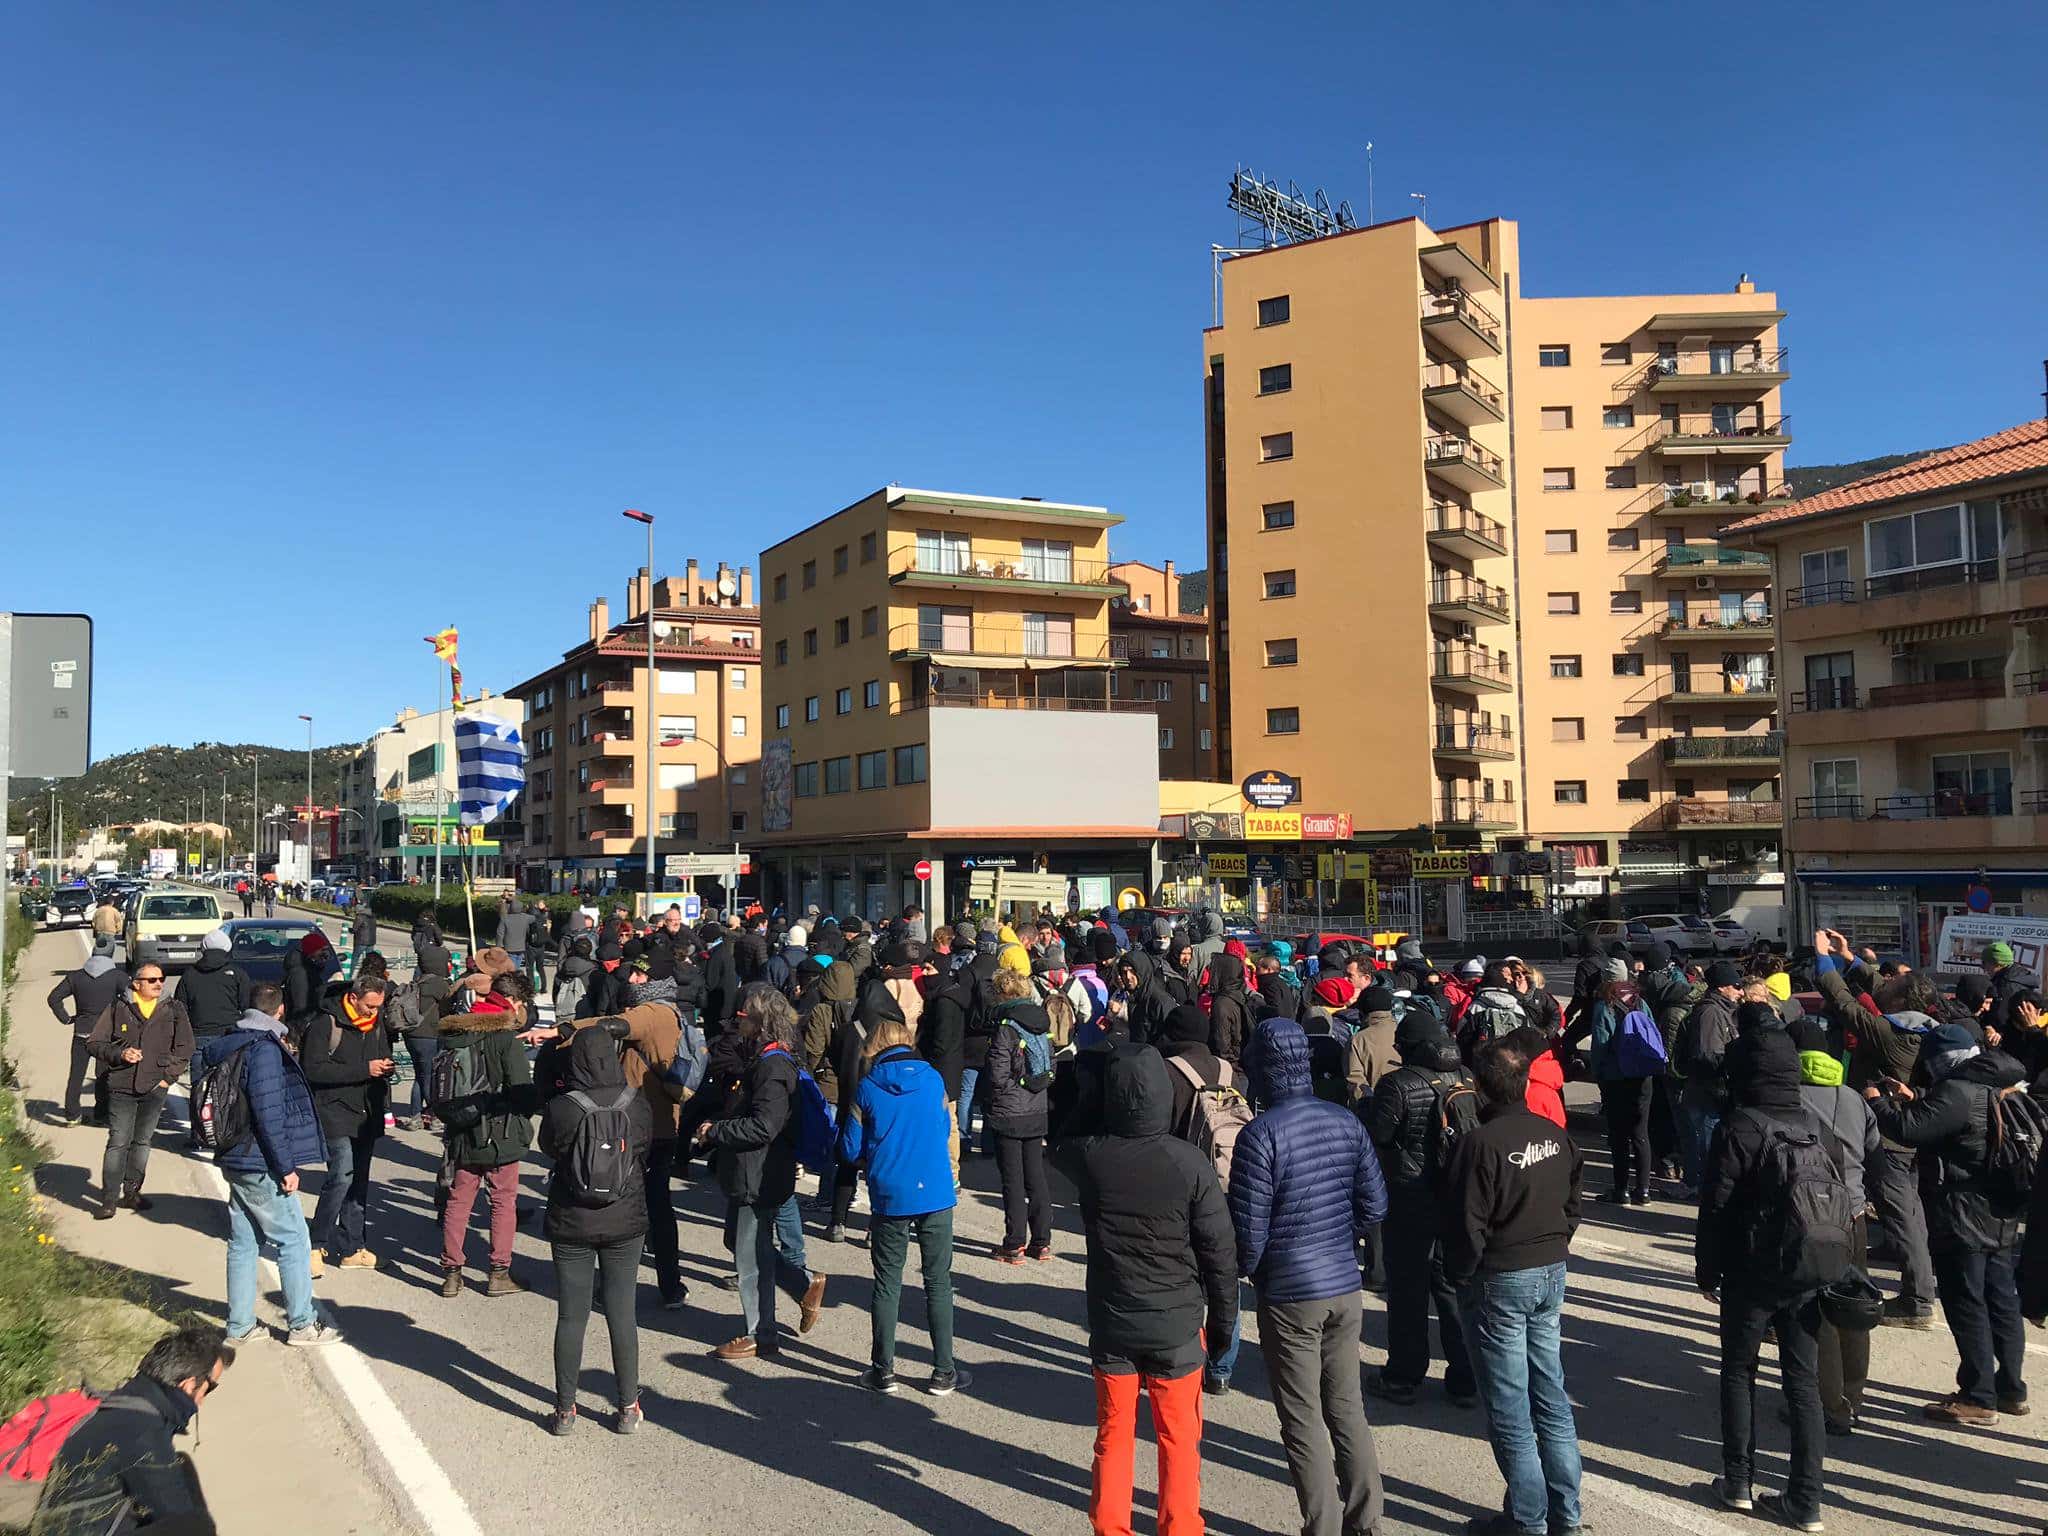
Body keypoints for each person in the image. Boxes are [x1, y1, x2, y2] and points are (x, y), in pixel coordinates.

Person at [1059, 1045, 1237, 1536]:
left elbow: (1062, 1140)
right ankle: (1180, 1528)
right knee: (1180, 1440)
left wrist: (1093, 1095)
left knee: (1114, 1436)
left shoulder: (1093, 1158)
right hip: (1178, 1324)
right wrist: (1222, 1328)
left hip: (1114, 1321)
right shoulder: (1189, 1161)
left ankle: (1110, 1527)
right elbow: (1220, 1256)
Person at [1228, 1017, 1389, 1536]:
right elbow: (1375, 1204)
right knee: (1346, 1406)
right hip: (1342, 1283)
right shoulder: (1345, 1121)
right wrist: (1341, 1238)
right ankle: (1365, 1519)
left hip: (1291, 1289)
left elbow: (1248, 1234)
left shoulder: (1260, 1135)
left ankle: (1321, 1525)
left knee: (1301, 1418)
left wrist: (1251, 1271)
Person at [1441, 1038, 1586, 1536]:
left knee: (1511, 1409)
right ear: (1525, 1083)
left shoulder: (1479, 1144)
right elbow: (1573, 1203)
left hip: (1502, 1277)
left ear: (1480, 1087)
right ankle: (1565, 1516)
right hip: (1548, 1270)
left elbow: (1466, 1225)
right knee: (1550, 1394)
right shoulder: (1553, 1134)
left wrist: (1461, 1276)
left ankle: (1529, 1521)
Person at [1870, 1019, 2029, 1426]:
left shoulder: (1957, 1091)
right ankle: (2011, 1389)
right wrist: (1917, 1097)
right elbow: (1950, 1116)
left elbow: (1908, 1129)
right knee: (2002, 1300)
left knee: (1966, 1302)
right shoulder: (2001, 1083)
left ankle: (1978, 1396)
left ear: (1942, 1061)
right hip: (2003, 1210)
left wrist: (1877, 1102)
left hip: (1964, 1214)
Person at [191, 982, 337, 1346]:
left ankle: (239, 1325)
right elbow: (269, 1115)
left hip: (232, 1153)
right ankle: (302, 1324)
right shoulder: (264, 1050)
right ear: (281, 1010)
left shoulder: (228, 1043)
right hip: (258, 1159)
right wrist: (286, 1167)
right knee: (293, 1239)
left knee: (243, 1242)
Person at [1811, 931, 1939, 1327]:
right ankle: (1920, 1288)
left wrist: (1823, 960)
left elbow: (1844, 1002)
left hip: (1889, 1138)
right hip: (1911, 1134)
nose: (1883, 986)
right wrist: (1850, 958)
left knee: (1901, 1217)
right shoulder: (1923, 1024)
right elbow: (1879, 987)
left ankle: (1917, 1301)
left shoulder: (1890, 1035)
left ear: (1901, 1001)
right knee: (1910, 1214)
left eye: (1892, 985)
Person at [698, 985, 827, 1359]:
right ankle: (802, 1284)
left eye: (744, 1016)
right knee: (739, 1242)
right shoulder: (769, 1058)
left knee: (749, 1256)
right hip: (756, 1170)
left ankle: (760, 1333)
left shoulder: (772, 1066)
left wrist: (717, 1130)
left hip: (759, 1171)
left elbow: (764, 1126)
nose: (738, 1020)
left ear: (760, 1022)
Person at [841, 1016, 965, 1394]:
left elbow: (849, 1148)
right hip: (935, 1189)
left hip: (890, 1190)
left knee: (887, 1282)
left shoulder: (866, 1088)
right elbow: (944, 1130)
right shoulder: (933, 1080)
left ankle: (883, 1370)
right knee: (938, 1282)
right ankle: (943, 1370)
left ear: (875, 1049)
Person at [538, 1025, 651, 1435]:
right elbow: (643, 1148)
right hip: (625, 1219)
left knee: (571, 1315)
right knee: (622, 1313)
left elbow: (550, 1147)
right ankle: (626, 1406)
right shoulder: (635, 1101)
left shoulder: (563, 1105)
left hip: (573, 1220)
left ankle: (566, 1410)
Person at [1365, 1006, 1477, 1408]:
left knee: (1408, 1291)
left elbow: (1379, 1135)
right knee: (1452, 1290)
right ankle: (1465, 1377)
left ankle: (1404, 1376)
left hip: (1409, 1195)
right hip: (1455, 1196)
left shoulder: (1398, 1084)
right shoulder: (1465, 1077)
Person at [39, 1326, 232, 1533]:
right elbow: (177, 1514)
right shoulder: (143, 1432)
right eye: (209, 1387)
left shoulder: (127, 1403)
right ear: (188, 1384)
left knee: (182, 1465)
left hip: (68, 1522)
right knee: (196, 1526)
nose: (201, 1402)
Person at [567, 987, 687, 1309]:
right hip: (663, 1126)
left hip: (639, 1127)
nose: (633, 977)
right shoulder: (674, 1017)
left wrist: (567, 1031)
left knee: (625, 1208)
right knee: (658, 1207)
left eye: (640, 975)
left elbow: (612, 1025)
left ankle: (614, 1289)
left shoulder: (652, 1014)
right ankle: (671, 1286)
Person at [1790, 1014, 1878, 1432]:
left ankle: (1828, 1406)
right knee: (1853, 1304)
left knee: (1818, 1311)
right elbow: (1873, 1147)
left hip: (1809, 1217)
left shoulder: (1785, 1098)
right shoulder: (1854, 1097)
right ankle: (1853, 1396)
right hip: (1855, 1213)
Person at [436, 989, 538, 1297]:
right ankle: (498, 1272)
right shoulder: (505, 1040)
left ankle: (451, 1273)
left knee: (458, 1200)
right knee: (503, 1201)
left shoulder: (453, 1038)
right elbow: (522, 1090)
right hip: (500, 1131)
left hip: (461, 1129)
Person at [301, 972, 395, 1271]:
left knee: (359, 1182)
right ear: (353, 998)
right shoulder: (325, 1023)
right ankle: (316, 1244)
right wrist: (364, 1069)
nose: (374, 1012)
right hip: (333, 1110)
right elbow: (313, 1070)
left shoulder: (375, 1023)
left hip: (366, 1111)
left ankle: (354, 1246)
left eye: (379, 1006)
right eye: (370, 1006)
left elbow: (381, 1054)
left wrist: (385, 1068)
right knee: (341, 1175)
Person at [86, 959, 191, 1218]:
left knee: (142, 1141)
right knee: (118, 1142)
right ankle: (109, 1200)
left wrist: (168, 1078)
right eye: (151, 980)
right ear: (136, 983)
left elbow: (185, 1047)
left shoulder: (173, 1008)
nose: (158, 984)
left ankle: (131, 1192)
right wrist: (120, 1054)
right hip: (121, 1086)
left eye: (161, 979)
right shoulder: (118, 1007)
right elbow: (94, 1043)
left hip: (155, 1087)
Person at [984, 968, 1054, 1263]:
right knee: (1036, 1178)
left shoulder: (1006, 1028)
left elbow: (998, 1076)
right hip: (1037, 1108)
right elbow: (1052, 1067)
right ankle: (1042, 1241)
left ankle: (1014, 1244)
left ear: (1004, 994)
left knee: (1013, 1180)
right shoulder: (1042, 1023)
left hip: (1010, 1111)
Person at [1586, 962, 1656, 1204]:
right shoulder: (1640, 1001)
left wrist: (1599, 1075)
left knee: (1618, 1135)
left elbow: (1600, 1045)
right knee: (1641, 1133)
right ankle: (1644, 1191)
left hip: (1616, 1077)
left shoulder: (1604, 1004)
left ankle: (1621, 1190)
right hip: (1643, 1076)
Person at [1675, 960, 1743, 1193]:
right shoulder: (1711, 1013)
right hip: (1707, 1093)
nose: (1740, 991)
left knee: (1710, 1144)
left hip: (1712, 1092)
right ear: (1722, 987)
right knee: (1708, 1145)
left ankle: (1704, 1187)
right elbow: (1707, 1055)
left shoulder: (1724, 1010)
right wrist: (1732, 1064)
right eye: (1736, 986)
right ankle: (1705, 1190)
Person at [46, 939, 125, 1126]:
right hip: (106, 1036)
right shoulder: (117, 977)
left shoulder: (76, 977)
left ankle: (72, 1114)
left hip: (81, 1033)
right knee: (104, 1074)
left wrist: (66, 1018)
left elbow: (53, 998)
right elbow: (132, 998)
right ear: (111, 954)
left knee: (76, 1075)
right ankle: (101, 1113)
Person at [1343, 982, 1401, 1109]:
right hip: (1409, 1109)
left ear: (1362, 1011)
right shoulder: (1404, 1031)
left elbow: (1356, 1083)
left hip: (1377, 1109)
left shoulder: (1358, 1040)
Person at [496, 898, 534, 973]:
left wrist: (499, 945)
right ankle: (515, 977)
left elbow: (500, 933)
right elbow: (535, 917)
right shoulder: (525, 917)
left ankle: (513, 979)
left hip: (509, 947)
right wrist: (531, 907)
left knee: (511, 967)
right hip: (521, 946)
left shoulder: (505, 918)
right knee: (517, 965)